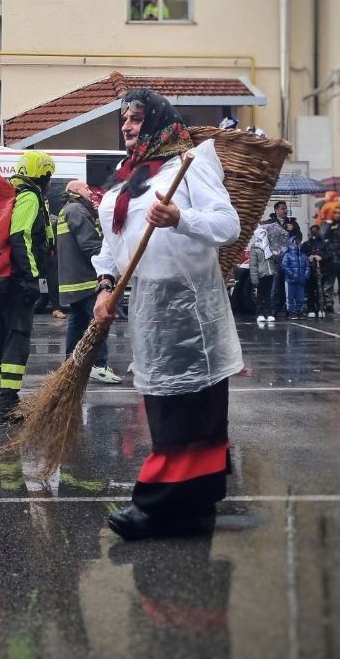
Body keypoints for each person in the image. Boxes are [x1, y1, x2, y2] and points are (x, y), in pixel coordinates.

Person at [91, 88, 242, 541]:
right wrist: (104, 285)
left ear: (157, 120)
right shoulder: (124, 180)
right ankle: (196, 505)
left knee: (187, 409)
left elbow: (227, 225)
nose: (127, 126)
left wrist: (180, 218)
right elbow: (112, 242)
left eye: (135, 118)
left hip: (190, 305)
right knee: (167, 404)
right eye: (123, 120)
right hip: (149, 304)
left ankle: (153, 506)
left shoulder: (188, 165)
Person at [0, 150, 54, 423]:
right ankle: (7, 403)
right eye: (49, 176)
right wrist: (31, 278)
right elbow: (21, 237)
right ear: (42, 175)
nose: (50, 182)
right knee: (16, 340)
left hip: (0, 278)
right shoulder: (29, 197)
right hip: (16, 282)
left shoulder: (10, 192)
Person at [56, 179, 116, 382]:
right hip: (86, 278)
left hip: (73, 279)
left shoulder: (69, 209)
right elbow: (90, 244)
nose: (91, 192)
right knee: (99, 321)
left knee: (77, 320)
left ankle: (71, 363)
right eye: (86, 188)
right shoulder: (77, 210)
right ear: (75, 190)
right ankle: (99, 365)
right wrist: (107, 266)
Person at [282, 221, 309, 319]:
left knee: (300, 297)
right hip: (290, 280)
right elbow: (284, 266)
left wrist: (305, 275)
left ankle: (299, 311)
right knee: (290, 297)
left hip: (300, 280)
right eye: (294, 242)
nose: (296, 244)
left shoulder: (303, 255)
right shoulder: (287, 254)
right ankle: (291, 311)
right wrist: (291, 274)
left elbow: (307, 266)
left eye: (298, 242)